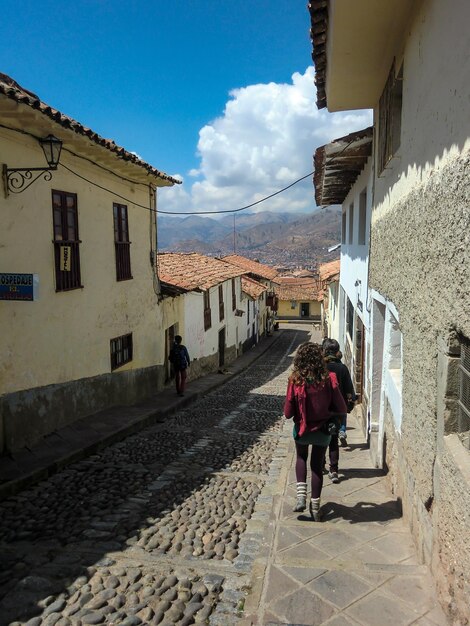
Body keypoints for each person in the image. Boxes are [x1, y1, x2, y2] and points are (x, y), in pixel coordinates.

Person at [283, 342, 347, 521]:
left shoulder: (295, 380)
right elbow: (341, 407)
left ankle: (301, 497)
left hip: (302, 430)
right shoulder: (330, 378)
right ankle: (316, 508)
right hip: (323, 431)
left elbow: (288, 413)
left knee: (301, 457)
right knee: (317, 466)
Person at [322, 338, 356, 484]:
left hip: (321, 409)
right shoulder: (342, 368)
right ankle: (334, 470)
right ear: (337, 352)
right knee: (333, 440)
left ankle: (320, 464)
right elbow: (349, 390)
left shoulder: (320, 367)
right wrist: (350, 403)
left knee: (322, 438)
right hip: (337, 409)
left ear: (324, 351)